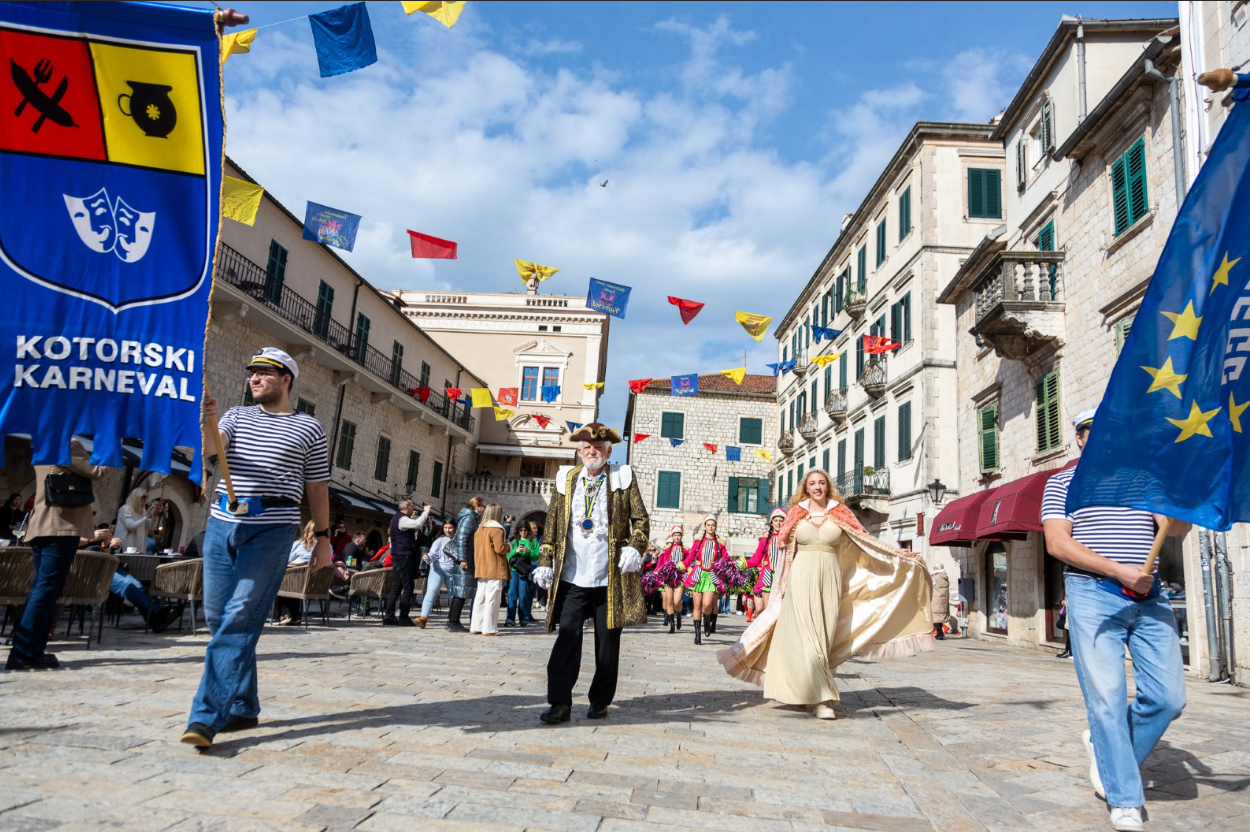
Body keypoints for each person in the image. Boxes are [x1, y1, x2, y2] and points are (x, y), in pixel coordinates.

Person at [1041, 409, 1190, 832]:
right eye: (1094, 431)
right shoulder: (1064, 482)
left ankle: (1103, 747)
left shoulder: (1145, 481)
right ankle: (1124, 798)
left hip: (1150, 596)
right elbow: (1057, 543)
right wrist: (1117, 570)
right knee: (1106, 698)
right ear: (1080, 438)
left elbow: (1174, 529)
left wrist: (1181, 494)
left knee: (1168, 699)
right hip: (1092, 594)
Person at [181, 347, 331, 750]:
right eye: (252, 373)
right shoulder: (233, 415)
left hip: (272, 529)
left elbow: (317, 487)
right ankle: (245, 705)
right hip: (222, 524)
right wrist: (206, 419)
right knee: (218, 616)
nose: (255, 378)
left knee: (239, 617)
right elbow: (212, 450)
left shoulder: (309, 429)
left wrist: (323, 539)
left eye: (265, 373)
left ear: (286, 380)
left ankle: (206, 716)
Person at [719, 469, 933, 720]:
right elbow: (784, 551)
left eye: (822, 483)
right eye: (813, 483)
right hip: (800, 579)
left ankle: (804, 691)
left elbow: (868, 543)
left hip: (831, 580)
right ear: (806, 488)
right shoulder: (796, 514)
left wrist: (901, 556)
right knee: (807, 637)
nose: (818, 487)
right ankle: (822, 698)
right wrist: (781, 589)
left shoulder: (841, 513)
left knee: (823, 636)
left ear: (828, 487)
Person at [532, 423, 649, 724]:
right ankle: (560, 703)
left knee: (607, 645)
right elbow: (552, 525)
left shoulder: (622, 478)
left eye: (598, 448)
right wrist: (546, 560)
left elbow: (641, 520)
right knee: (567, 637)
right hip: (573, 575)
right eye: (586, 447)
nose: (592, 451)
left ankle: (599, 701)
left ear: (608, 451)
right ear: (579, 451)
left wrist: (636, 547)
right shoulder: (566, 480)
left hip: (610, 577)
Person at [5, 438, 111, 671]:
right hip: (60, 526)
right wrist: (110, 446)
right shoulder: (68, 443)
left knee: (42, 589)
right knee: (46, 590)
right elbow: (99, 471)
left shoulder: (44, 442)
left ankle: (30, 650)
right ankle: (24, 653)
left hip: (42, 525)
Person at [681, 515, 730, 643]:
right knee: (697, 605)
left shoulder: (720, 544)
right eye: (708, 525)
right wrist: (682, 565)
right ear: (705, 526)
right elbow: (690, 557)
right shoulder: (698, 542)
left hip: (711, 576)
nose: (710, 527)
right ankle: (697, 635)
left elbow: (726, 559)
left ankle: (707, 621)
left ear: (715, 527)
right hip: (698, 574)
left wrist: (733, 567)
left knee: (707, 604)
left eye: (713, 525)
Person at [383, 500, 431, 627]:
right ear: (405, 506)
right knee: (408, 586)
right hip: (404, 556)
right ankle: (403, 616)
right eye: (412, 506)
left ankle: (389, 616)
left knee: (397, 586)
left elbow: (413, 524)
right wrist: (426, 512)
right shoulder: (401, 519)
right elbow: (418, 523)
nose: (413, 508)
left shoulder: (398, 518)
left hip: (399, 555)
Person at [469, 504, 511, 635]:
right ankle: (489, 628)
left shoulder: (479, 529)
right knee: (492, 598)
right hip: (494, 566)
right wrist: (508, 546)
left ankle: (476, 626)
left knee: (480, 597)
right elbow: (499, 548)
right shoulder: (497, 529)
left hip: (481, 566)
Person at [445, 496, 484, 632]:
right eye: (482, 506)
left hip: (465, 558)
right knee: (461, 592)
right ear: (476, 507)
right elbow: (461, 539)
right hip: (464, 560)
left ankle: (452, 621)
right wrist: (463, 559)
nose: (483, 509)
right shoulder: (469, 518)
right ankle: (453, 622)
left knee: (460, 591)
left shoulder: (471, 518)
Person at [743, 508, 785, 619]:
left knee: (781, 608)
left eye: (781, 520)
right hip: (767, 575)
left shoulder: (788, 540)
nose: (778, 523)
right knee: (768, 608)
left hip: (782, 576)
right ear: (771, 523)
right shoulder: (764, 541)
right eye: (776, 520)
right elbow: (755, 560)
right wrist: (741, 564)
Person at [418, 520, 457, 627]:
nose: (448, 530)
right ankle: (423, 618)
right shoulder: (439, 540)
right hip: (437, 570)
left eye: (450, 528)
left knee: (454, 596)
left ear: (455, 528)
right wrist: (428, 557)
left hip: (453, 572)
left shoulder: (459, 540)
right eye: (445, 528)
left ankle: (454, 620)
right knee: (431, 591)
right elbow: (433, 554)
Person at [276, 521, 316, 626]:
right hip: (317, 584)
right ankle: (293, 615)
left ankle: (284, 615)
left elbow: (287, 559)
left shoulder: (298, 544)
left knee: (280, 583)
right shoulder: (326, 546)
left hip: (297, 581)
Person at [506, 524, 540, 627]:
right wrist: (515, 551)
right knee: (511, 594)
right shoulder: (514, 541)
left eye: (525, 530)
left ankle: (524, 618)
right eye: (521, 530)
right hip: (514, 570)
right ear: (518, 531)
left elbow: (536, 556)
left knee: (524, 595)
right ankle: (510, 618)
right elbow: (507, 556)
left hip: (525, 571)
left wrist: (528, 551)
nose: (523, 532)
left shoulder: (533, 541)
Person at [656, 524, 687, 633]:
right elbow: (662, 563)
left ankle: (678, 615)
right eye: (675, 535)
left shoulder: (686, 549)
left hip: (680, 577)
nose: (677, 537)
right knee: (669, 600)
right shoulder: (667, 549)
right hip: (668, 576)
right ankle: (672, 625)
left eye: (679, 535)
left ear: (681, 536)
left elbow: (689, 561)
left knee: (677, 601)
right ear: (672, 536)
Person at [931, 564, 951, 640]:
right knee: (939, 616)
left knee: (935, 616)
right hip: (943, 599)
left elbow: (930, 586)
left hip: (935, 599)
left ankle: (940, 633)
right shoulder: (945, 577)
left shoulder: (935, 577)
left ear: (935, 568)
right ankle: (940, 633)